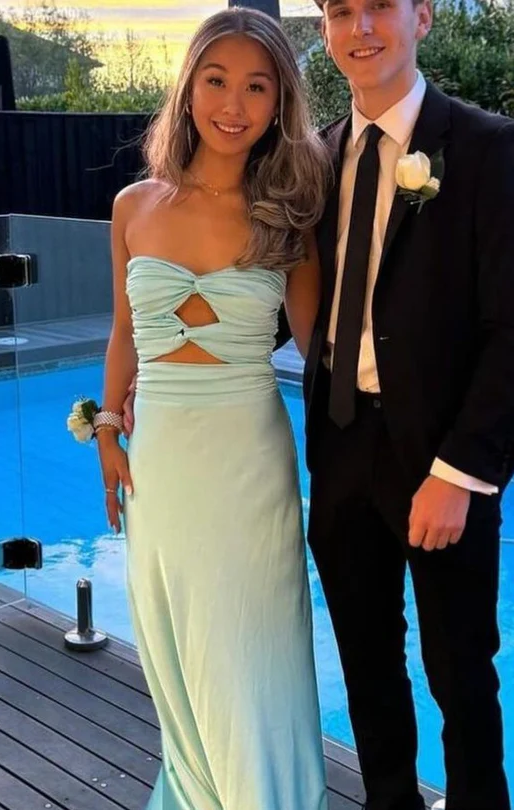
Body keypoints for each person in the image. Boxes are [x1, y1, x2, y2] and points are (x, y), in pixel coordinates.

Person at [96, 8, 331, 810]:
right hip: (161, 462)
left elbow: (319, 350)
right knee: (179, 646)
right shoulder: (133, 205)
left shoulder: (290, 213)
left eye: (257, 87)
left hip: (248, 462)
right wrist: (106, 428)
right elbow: (125, 331)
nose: (234, 104)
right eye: (217, 80)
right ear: (188, 88)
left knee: (253, 650)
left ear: (279, 102)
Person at [304, 0, 514, 808]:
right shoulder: (316, 156)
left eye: (380, 6)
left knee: (461, 672)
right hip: (339, 441)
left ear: (422, 17)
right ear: (325, 29)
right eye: (341, 10)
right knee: (365, 662)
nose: (361, 27)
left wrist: (459, 473)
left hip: (441, 454)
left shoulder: (488, 148)